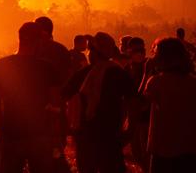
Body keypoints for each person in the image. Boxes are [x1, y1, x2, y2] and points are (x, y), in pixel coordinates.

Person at [0, 22, 58, 172]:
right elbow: (54, 104)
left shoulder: (2, 65)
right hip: (40, 135)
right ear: (34, 41)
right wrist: (54, 134)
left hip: (11, 133)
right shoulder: (46, 68)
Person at [62, 32, 134, 173]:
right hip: (110, 135)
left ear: (95, 53)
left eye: (90, 50)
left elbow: (63, 95)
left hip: (86, 135)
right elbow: (133, 102)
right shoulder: (118, 73)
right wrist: (130, 130)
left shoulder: (83, 74)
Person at [144, 38, 196, 173]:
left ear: (163, 57)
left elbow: (138, 105)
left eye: (155, 53)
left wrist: (146, 73)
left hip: (161, 150)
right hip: (188, 149)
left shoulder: (155, 82)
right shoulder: (195, 83)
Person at [34, 16, 71, 171]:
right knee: (55, 150)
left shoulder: (35, 51)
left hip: (41, 109)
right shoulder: (61, 50)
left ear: (43, 32)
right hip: (57, 108)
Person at [125, 37, 150, 171]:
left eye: (142, 50)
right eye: (136, 50)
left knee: (146, 147)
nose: (140, 53)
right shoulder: (126, 69)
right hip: (133, 113)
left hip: (147, 114)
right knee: (136, 148)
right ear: (129, 51)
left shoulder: (151, 67)